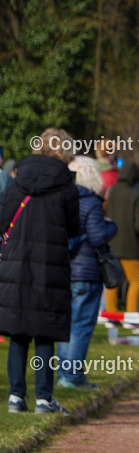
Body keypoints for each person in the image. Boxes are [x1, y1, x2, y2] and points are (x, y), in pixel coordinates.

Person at [0, 128, 80, 415]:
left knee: (18, 331)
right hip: (50, 263)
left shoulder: (16, 179)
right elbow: (74, 228)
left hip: (16, 262)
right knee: (45, 332)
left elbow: (4, 219)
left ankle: (15, 396)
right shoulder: (66, 185)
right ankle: (44, 397)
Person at [57, 156, 118, 389]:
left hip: (66, 268)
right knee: (82, 325)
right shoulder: (91, 202)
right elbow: (97, 237)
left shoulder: (63, 200)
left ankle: (65, 374)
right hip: (87, 270)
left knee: (67, 325)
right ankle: (73, 376)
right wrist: (112, 226)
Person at [105, 161, 139, 317]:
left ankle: (112, 316)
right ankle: (132, 317)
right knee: (136, 280)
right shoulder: (135, 194)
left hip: (111, 243)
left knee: (112, 281)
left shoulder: (113, 192)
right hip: (130, 245)